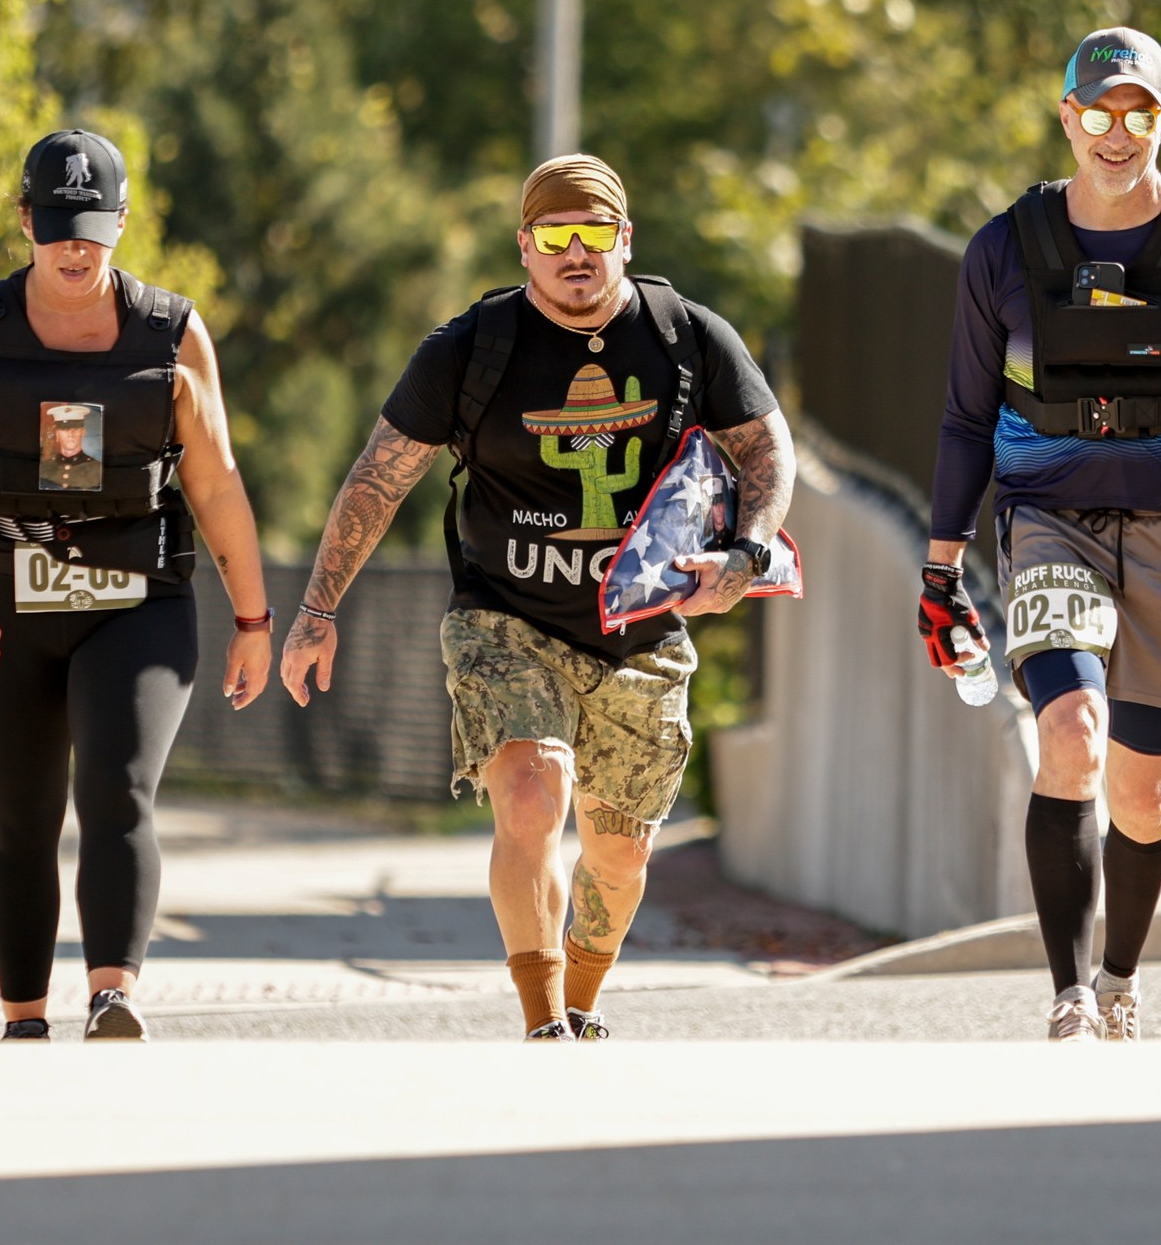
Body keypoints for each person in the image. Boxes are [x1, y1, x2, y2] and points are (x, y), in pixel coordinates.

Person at [280, 153, 795, 1040]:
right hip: (504, 617)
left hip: (640, 630)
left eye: (594, 234)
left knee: (621, 853)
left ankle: (584, 996)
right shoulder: (470, 351)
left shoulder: (687, 337)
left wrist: (746, 553)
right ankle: (543, 1018)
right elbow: (377, 480)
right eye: (555, 236)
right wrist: (316, 613)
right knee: (531, 790)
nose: (576, 254)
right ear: (525, 247)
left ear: (624, 239)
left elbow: (765, 449)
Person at [920, 28, 1161, 1042]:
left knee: (1144, 789)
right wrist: (939, 571)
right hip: (1046, 519)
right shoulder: (1004, 250)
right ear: (1065, 116)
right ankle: (1068, 993)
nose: (1113, 132)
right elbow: (962, 418)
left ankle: (1121, 976)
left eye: (1135, 113)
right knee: (1068, 736)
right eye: (1095, 111)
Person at [0, 129, 273, 1042]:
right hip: (5, 596)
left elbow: (214, 482)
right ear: (24, 220)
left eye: (92, 227)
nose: (75, 246)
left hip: (135, 596)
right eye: (56, 225)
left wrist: (254, 617)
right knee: (17, 813)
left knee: (116, 786)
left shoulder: (170, 334)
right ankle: (23, 1019)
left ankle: (111, 993)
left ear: (123, 224)